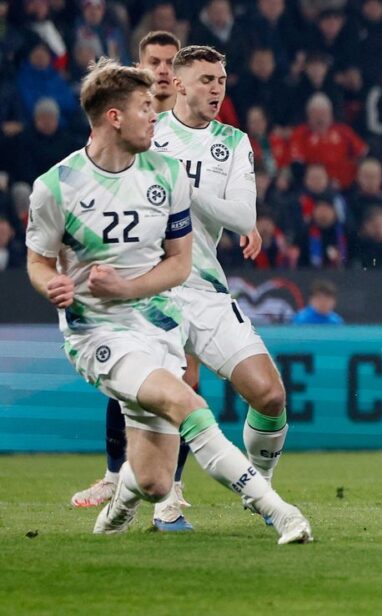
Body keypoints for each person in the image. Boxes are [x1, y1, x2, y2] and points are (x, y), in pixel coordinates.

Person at [25, 59, 311, 543]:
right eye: (144, 108)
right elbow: (37, 260)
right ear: (115, 117)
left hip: (159, 318)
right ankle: (279, 511)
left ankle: (122, 499)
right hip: (96, 330)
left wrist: (129, 289)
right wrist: (49, 282)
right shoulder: (56, 186)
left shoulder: (168, 174)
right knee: (188, 402)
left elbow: (179, 264)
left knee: (155, 479)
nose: (153, 118)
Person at [69, 32, 262, 532]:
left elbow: (230, 204)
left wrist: (247, 220)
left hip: (189, 278)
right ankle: (125, 479)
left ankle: (158, 489)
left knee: (180, 382)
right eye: (151, 62)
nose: (157, 70)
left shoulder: (214, 138)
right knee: (150, 383)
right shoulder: (135, 127)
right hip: (139, 275)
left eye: (164, 62)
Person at [148, 45, 293, 528]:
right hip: (151, 288)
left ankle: (261, 489)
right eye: (207, 80)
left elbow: (243, 216)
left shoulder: (232, 141)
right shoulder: (147, 133)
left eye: (222, 80)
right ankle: (165, 498)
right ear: (180, 83)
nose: (216, 89)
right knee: (179, 389)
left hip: (206, 286)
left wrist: (187, 189)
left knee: (269, 395)